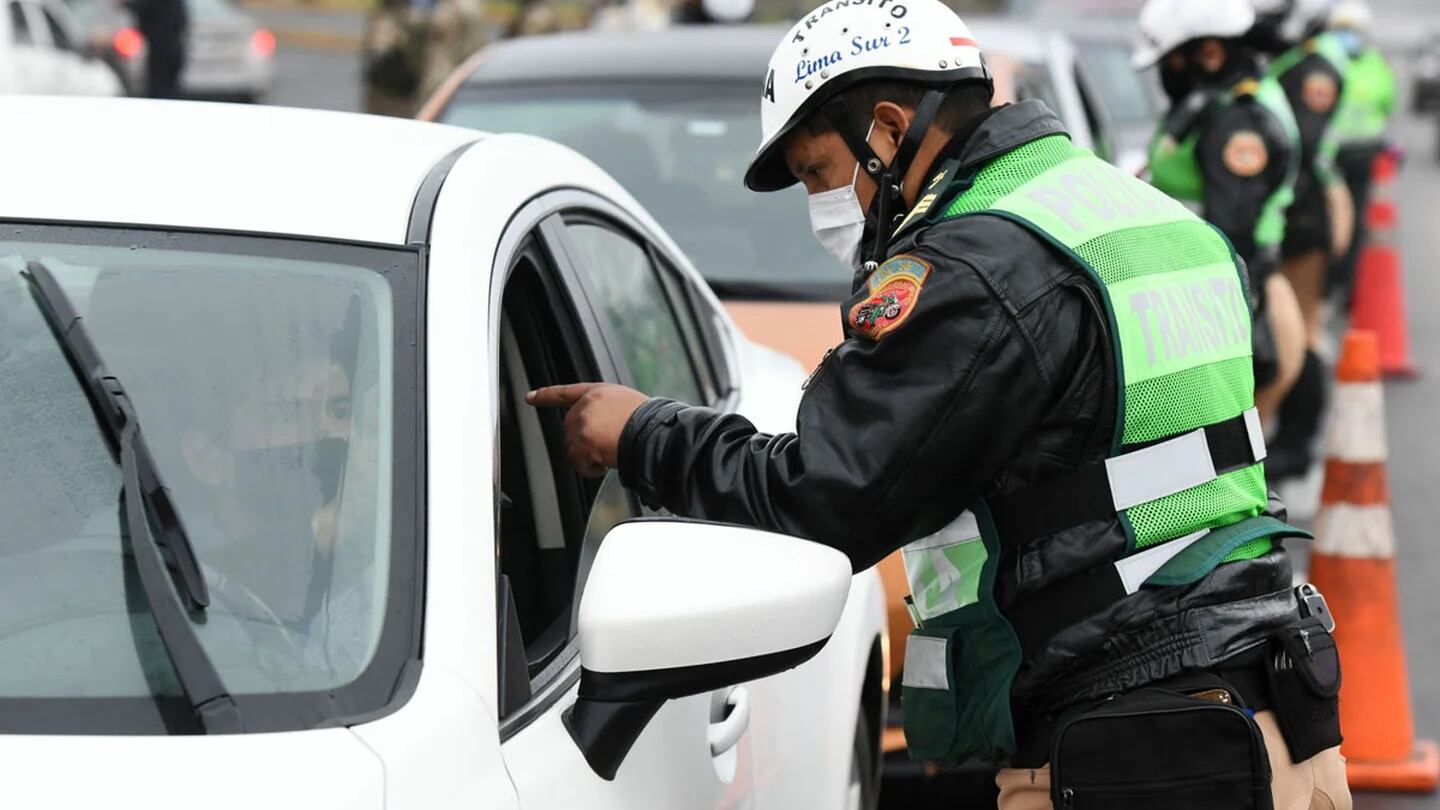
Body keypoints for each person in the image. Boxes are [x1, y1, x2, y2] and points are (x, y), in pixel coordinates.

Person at [530, 1, 1348, 806]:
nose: (824, 203)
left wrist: (641, 433)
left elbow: (830, 494)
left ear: (885, 132)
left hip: (1135, 745)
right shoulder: (1150, 220)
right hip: (1271, 710)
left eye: (818, 173)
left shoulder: (978, 266)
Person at [1134, 0, 1307, 426]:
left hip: (1227, 295)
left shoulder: (1240, 119)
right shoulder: (1221, 101)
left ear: (1210, 53)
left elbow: (1230, 230)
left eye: (1171, 61)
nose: (1167, 73)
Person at [1250, 0, 1355, 479]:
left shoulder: (1314, 67)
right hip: (1300, 212)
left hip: (1302, 217)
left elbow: (1306, 144)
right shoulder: (1302, 61)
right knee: (1296, 330)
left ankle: (1297, 442)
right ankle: (1292, 440)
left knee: (1300, 333)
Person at [1328, 0, 1398, 300]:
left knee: (1354, 223)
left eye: (1352, 30)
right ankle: (1326, 285)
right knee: (1323, 225)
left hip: (1361, 155)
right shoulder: (1325, 61)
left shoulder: (1376, 64)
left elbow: (1386, 105)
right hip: (1325, 157)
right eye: (1342, 30)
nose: (1347, 36)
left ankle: (1345, 289)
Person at [125, 0, 188, 99]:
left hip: (161, 46)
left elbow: (146, 8)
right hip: (171, 45)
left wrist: (126, 4)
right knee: (168, 88)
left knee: (159, 88)